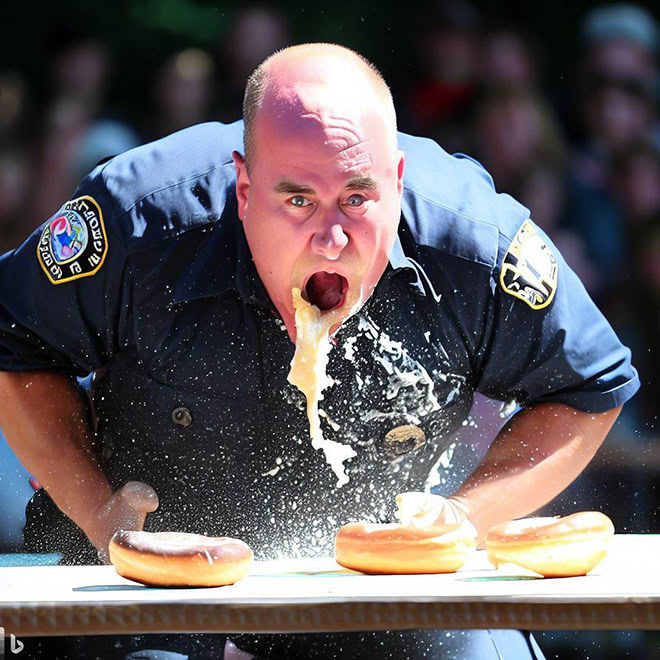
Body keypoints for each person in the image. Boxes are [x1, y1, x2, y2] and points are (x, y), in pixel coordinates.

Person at [0, 43, 638, 659]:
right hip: (144, 576)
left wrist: (461, 519)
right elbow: (13, 344)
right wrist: (96, 512)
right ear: (244, 189)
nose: (331, 240)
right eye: (297, 200)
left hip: (380, 582)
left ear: (396, 179)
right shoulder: (138, 221)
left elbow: (586, 388)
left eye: (358, 200)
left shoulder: (474, 244)